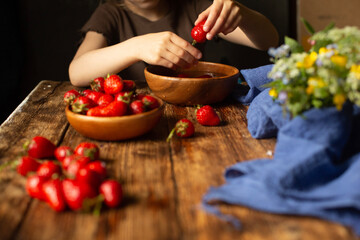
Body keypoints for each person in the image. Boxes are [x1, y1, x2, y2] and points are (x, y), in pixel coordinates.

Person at [68, 0, 279, 87]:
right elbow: (77, 72)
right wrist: (135, 47)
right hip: (135, 113)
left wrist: (243, 14)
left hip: (191, 109)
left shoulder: (195, 7)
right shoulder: (110, 13)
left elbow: (269, 41)